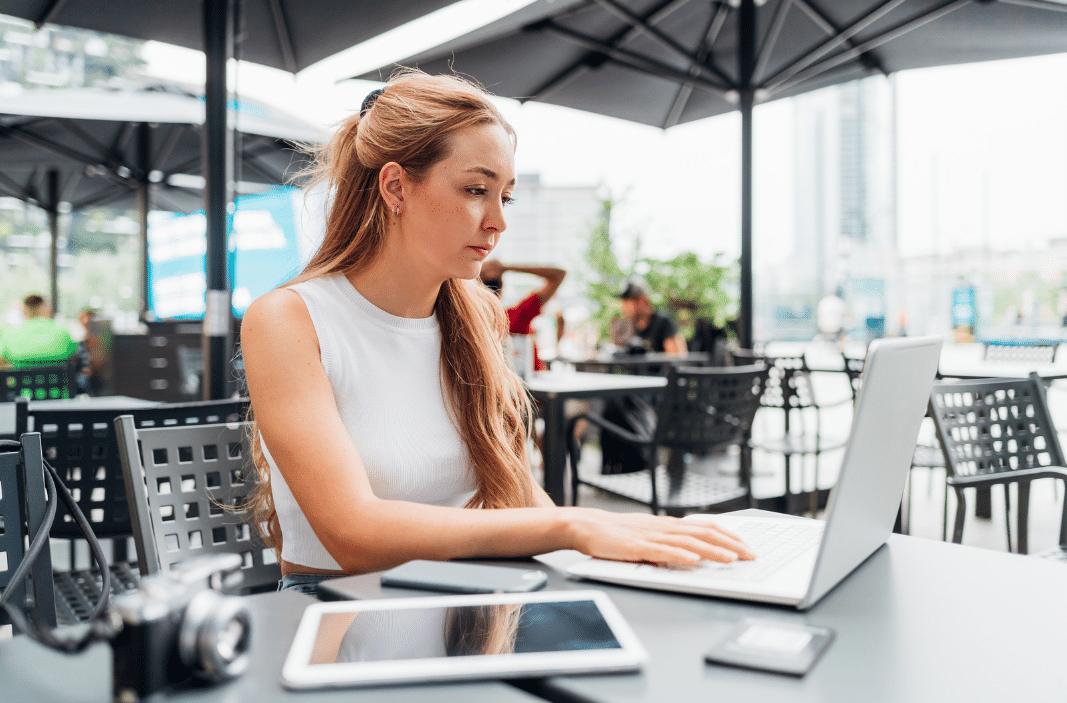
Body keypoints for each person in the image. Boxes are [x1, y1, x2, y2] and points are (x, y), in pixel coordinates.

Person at [240, 70, 753, 596]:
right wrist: (574, 526)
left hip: (463, 605)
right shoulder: (289, 319)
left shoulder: (474, 318)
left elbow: (519, 492)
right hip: (335, 616)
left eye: (504, 197)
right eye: (475, 190)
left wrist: (619, 561)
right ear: (396, 187)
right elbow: (354, 534)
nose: (497, 222)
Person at [478, 258, 566, 371]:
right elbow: (559, 275)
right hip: (533, 383)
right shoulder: (515, 316)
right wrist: (506, 268)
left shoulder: (472, 323)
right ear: (502, 288)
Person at [0, 294, 77, 368]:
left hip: (21, 380)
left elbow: (1, 361)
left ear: (24, 311)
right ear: (45, 309)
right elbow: (74, 355)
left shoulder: (10, 333)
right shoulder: (62, 331)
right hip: (59, 380)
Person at [616, 277, 687, 354]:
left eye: (627, 302)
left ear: (641, 300)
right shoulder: (632, 325)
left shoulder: (663, 322)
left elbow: (677, 358)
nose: (623, 307)